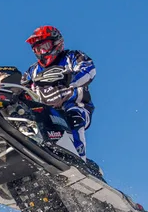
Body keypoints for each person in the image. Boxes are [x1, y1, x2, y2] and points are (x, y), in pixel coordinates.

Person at [21, 25, 96, 161]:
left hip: (75, 105)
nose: (41, 52)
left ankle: (80, 161)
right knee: (24, 120)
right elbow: (22, 89)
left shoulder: (72, 57)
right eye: (37, 49)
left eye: (44, 46)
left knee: (74, 117)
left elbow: (89, 70)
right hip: (46, 112)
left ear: (56, 42)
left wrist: (71, 79)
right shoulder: (32, 71)